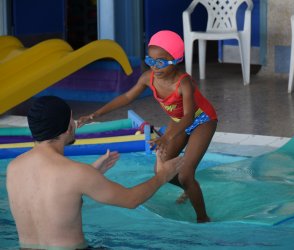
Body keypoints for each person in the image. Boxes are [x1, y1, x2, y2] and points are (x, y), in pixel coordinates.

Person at [6, 96, 183, 250]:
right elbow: (131, 200)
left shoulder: (13, 167)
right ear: (68, 127)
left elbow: (53, 198)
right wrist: (163, 175)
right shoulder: (76, 173)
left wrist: (91, 172)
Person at [78, 30, 218, 223]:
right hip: (179, 121)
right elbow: (127, 97)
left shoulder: (184, 83)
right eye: (150, 61)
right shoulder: (148, 78)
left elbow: (188, 117)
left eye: (160, 62)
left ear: (175, 59)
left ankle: (203, 218)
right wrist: (96, 114)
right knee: (161, 171)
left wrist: (167, 137)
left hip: (202, 120)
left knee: (186, 173)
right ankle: (190, 187)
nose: (155, 67)